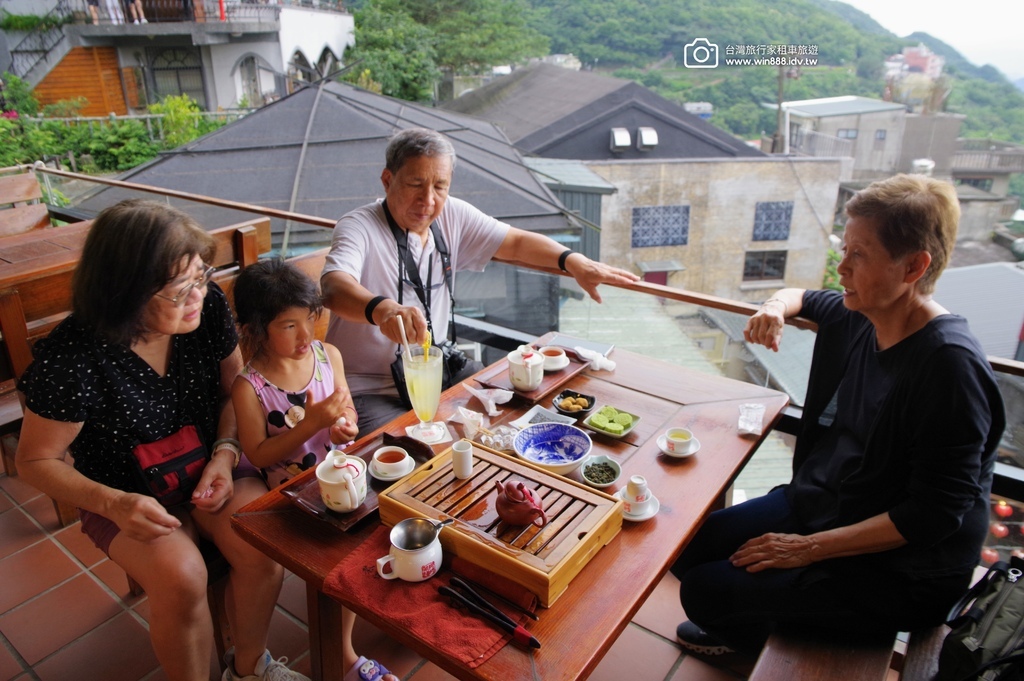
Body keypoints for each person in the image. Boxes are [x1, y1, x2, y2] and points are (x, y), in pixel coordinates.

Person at [671, 174, 1006, 659]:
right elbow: (802, 296)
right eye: (843, 248)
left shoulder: (949, 366)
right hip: (828, 499)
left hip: (902, 564)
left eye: (859, 254)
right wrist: (772, 308)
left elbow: (932, 516)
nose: (841, 267)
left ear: (913, 266)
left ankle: (766, 643)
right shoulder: (864, 310)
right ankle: (768, 617)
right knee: (688, 547)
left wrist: (807, 548)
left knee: (704, 590)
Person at [16, 200, 308, 681]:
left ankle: (252, 667)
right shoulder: (72, 358)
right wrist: (113, 504)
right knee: (182, 577)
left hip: (213, 465)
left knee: (262, 542)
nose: (197, 294)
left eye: (200, 276)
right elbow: (35, 461)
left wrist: (226, 451)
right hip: (122, 492)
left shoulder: (207, 305)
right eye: (179, 289)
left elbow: (238, 391)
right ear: (125, 293)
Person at [320, 127, 640, 437]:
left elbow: (514, 242)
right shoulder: (358, 226)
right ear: (388, 180)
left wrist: (572, 261)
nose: (428, 200)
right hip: (371, 387)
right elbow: (333, 287)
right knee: (420, 455)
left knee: (519, 409)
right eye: (415, 184)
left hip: (437, 367)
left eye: (440, 186)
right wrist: (383, 310)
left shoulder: (451, 216)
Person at [231, 259, 397, 681]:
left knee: (362, 542)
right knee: (338, 552)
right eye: (288, 326)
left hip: (336, 482)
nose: (305, 335)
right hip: (286, 492)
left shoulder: (329, 356)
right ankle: (335, 657)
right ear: (254, 329)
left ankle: (343, 654)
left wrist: (344, 425)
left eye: (309, 319)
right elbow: (259, 454)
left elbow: (348, 421)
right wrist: (311, 424)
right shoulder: (249, 386)